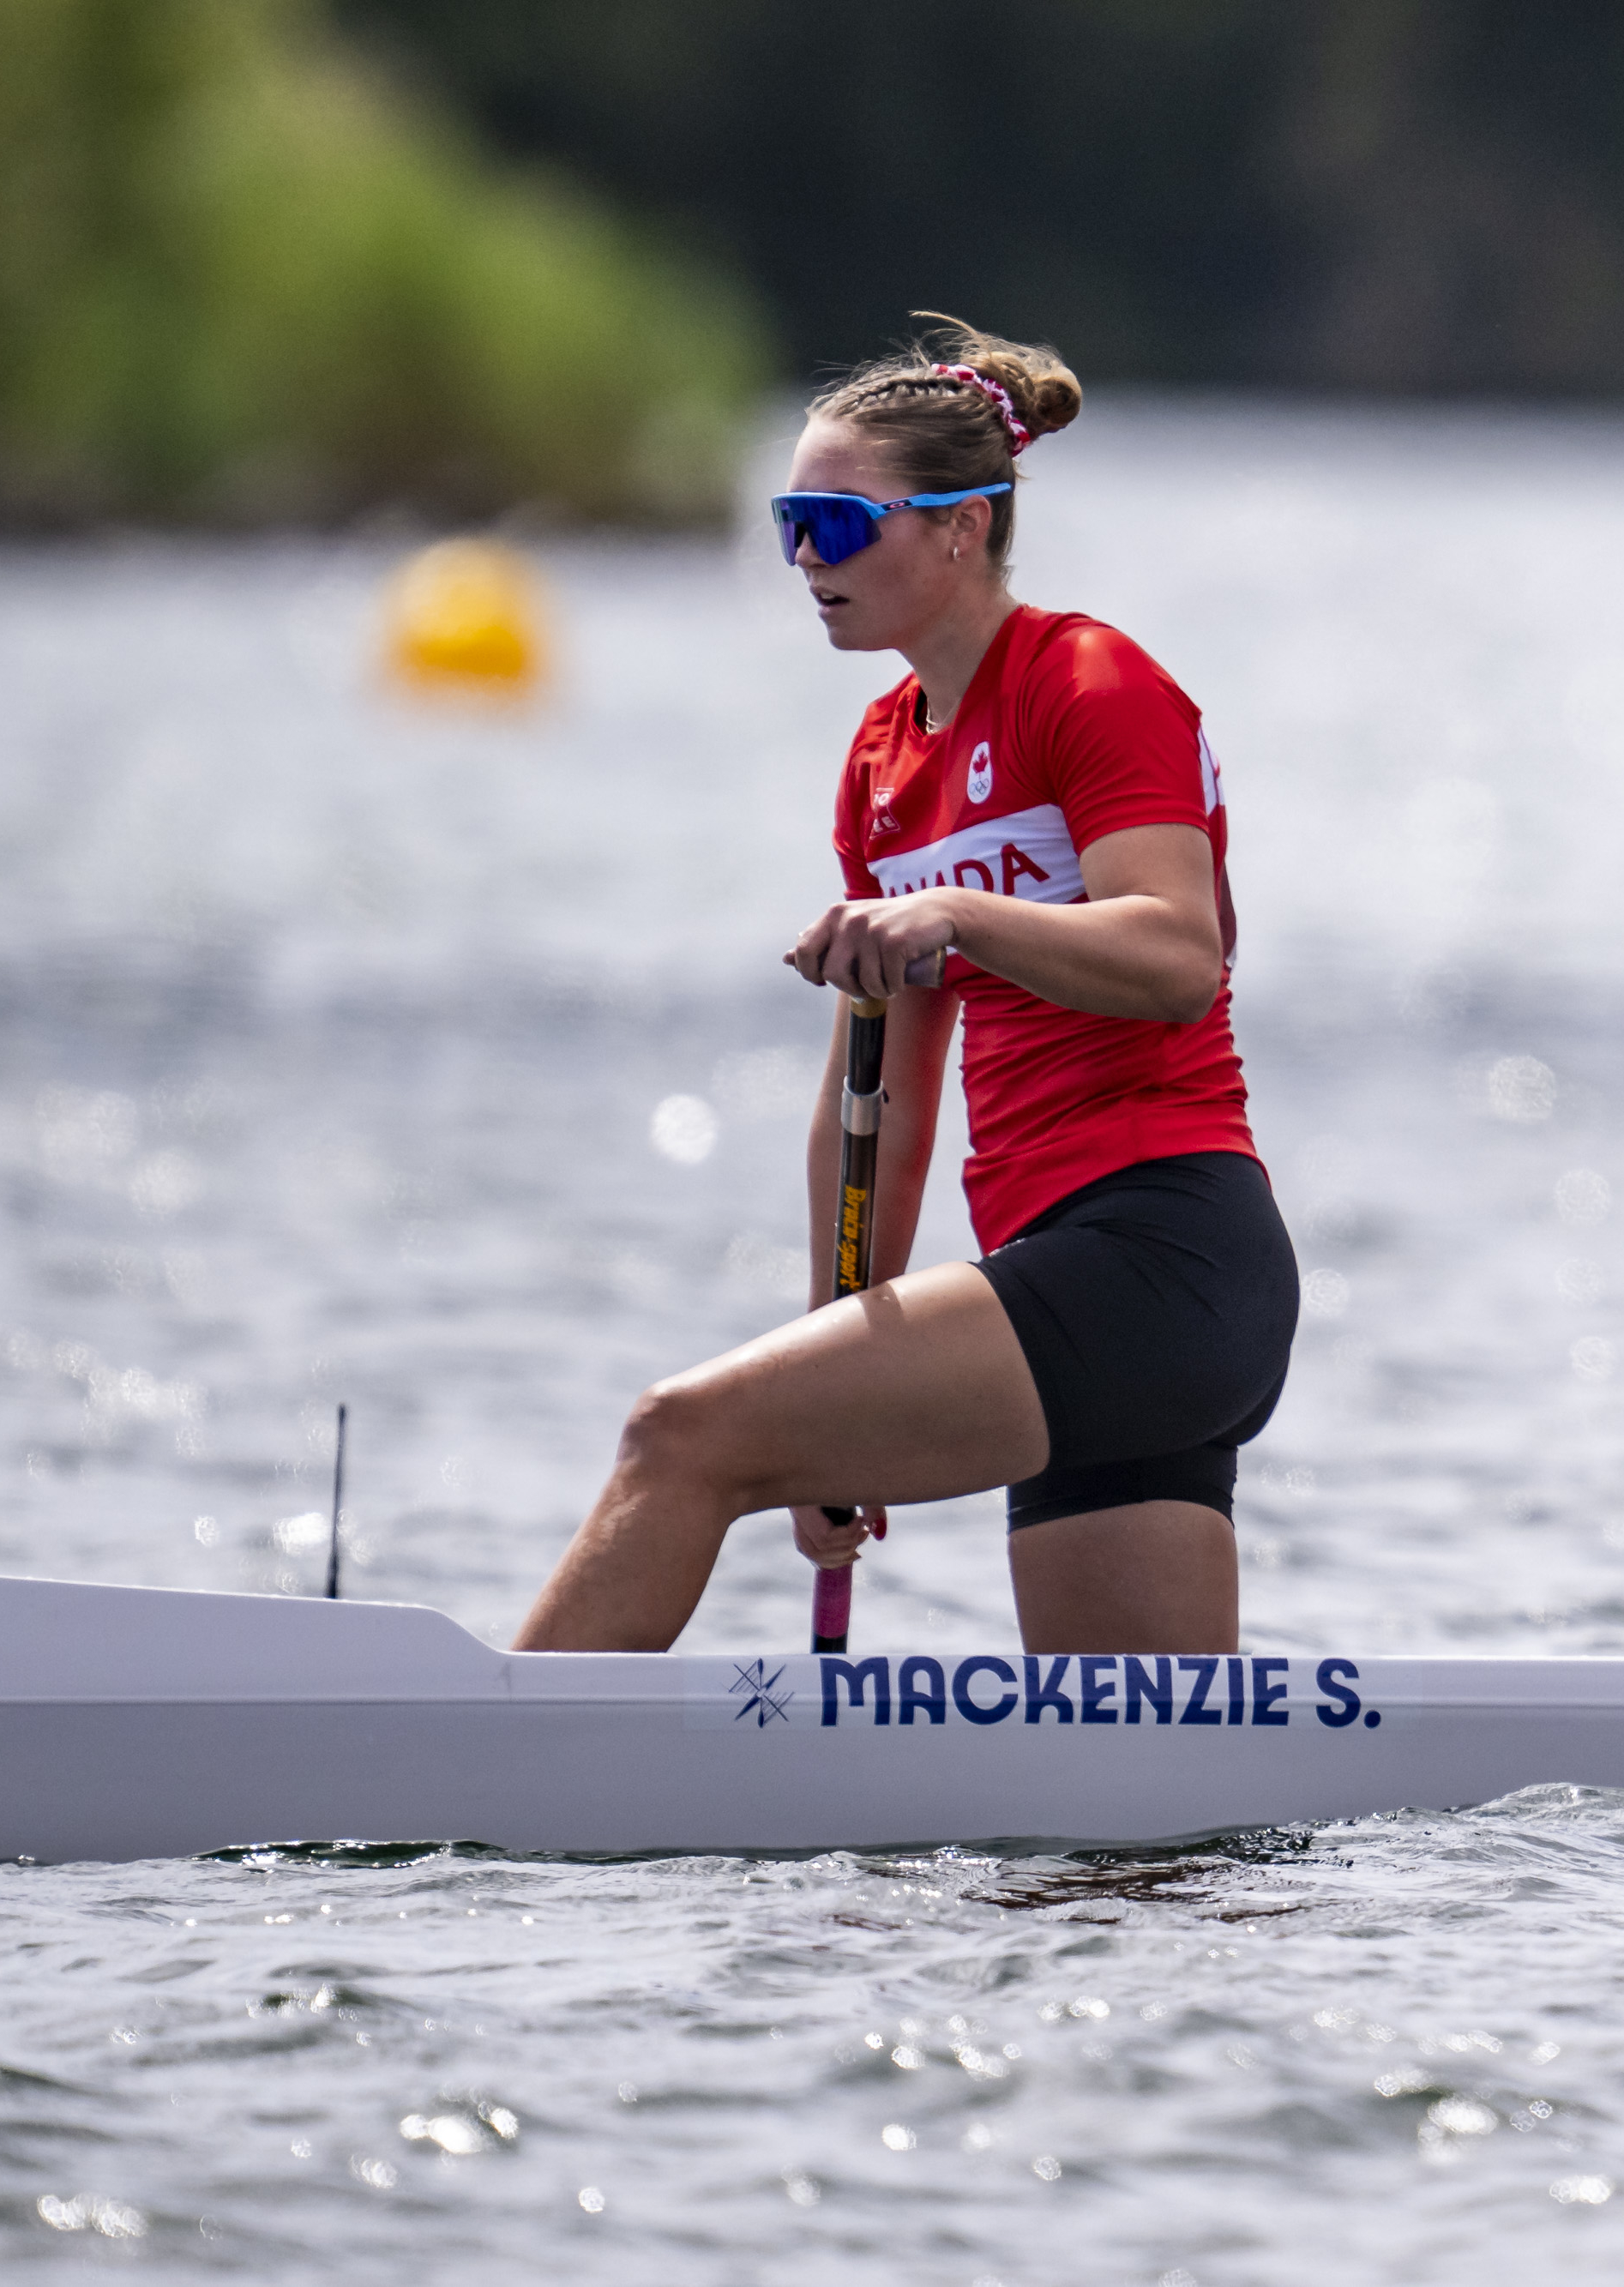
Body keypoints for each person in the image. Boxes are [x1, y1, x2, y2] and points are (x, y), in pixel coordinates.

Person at [516, 317, 1296, 1654]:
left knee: (682, 1436)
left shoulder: (1086, 684)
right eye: (790, 524)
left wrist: (954, 912)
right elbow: (877, 1104)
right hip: (1058, 1276)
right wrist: (835, 1388)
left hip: (1166, 1251)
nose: (807, 561)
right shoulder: (882, 762)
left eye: (838, 522)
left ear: (958, 528)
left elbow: (1179, 958)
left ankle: (483, 1798)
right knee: (1127, 1839)